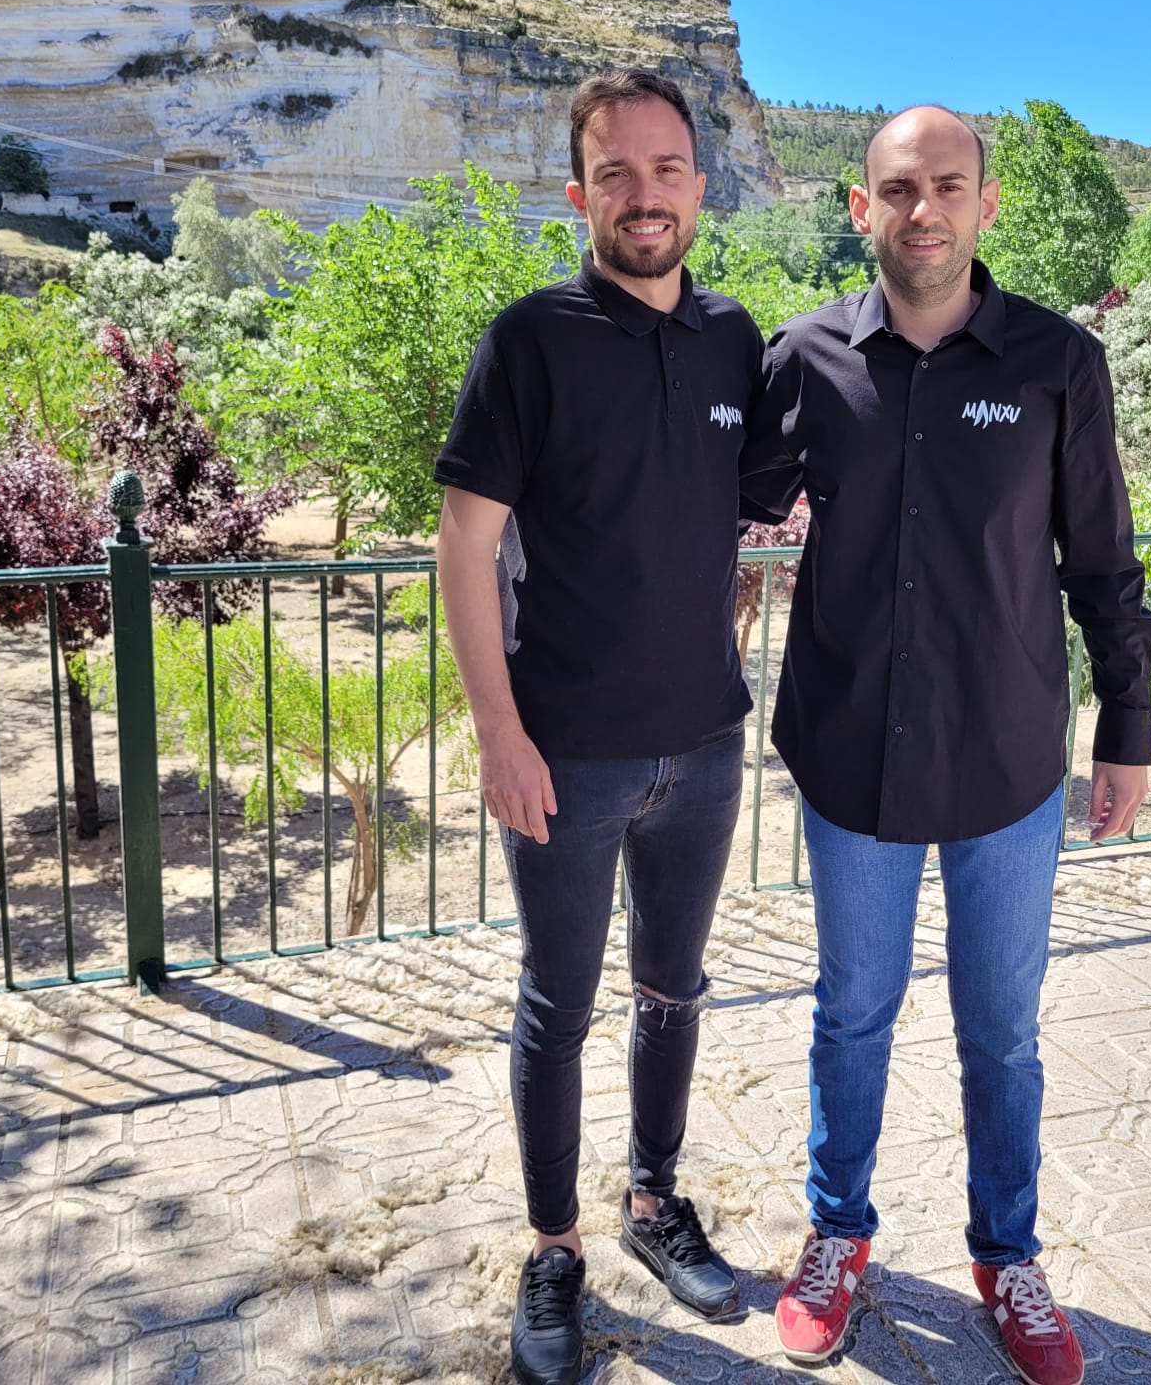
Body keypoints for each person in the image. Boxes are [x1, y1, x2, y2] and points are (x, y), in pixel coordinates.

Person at [740, 104, 1151, 1385]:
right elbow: (721, 495)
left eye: (950, 186)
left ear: (985, 204)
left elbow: (1103, 563)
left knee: (1003, 1031)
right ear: (858, 209)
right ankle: (838, 1236)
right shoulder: (802, 358)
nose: (925, 209)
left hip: (1007, 766)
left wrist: (1126, 731)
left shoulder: (1056, 362)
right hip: (851, 757)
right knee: (851, 1015)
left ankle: (1007, 1256)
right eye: (899, 188)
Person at [434, 68, 764, 1385]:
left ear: (701, 183)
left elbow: (740, 513)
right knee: (559, 1005)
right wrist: (500, 733)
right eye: (615, 173)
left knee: (673, 992)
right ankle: (555, 1248)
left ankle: (653, 1202)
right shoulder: (529, 341)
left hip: (707, 745)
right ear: (578, 193)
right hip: (563, 750)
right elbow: (465, 545)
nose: (644, 194)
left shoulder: (738, 338)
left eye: (666, 168)